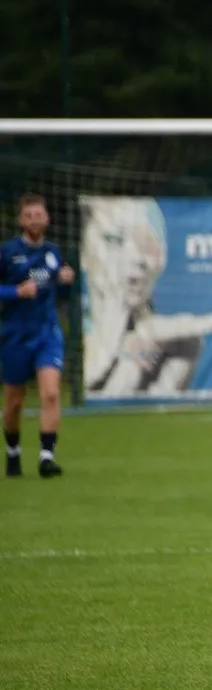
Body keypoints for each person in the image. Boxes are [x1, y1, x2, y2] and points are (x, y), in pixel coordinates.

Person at [79, 196, 212, 398]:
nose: (137, 258)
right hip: (102, 385)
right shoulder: (82, 325)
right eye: (114, 239)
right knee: (135, 355)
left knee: (187, 343)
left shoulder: (149, 330)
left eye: (147, 246)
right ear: (83, 252)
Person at [2, 194, 73, 478]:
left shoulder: (54, 252)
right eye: (29, 216)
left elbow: (62, 291)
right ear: (21, 220)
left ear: (47, 219)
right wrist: (15, 292)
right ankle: (13, 451)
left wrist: (66, 281)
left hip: (46, 333)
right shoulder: (7, 252)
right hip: (15, 335)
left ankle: (46, 458)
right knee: (14, 402)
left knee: (51, 393)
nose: (34, 220)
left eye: (39, 215)